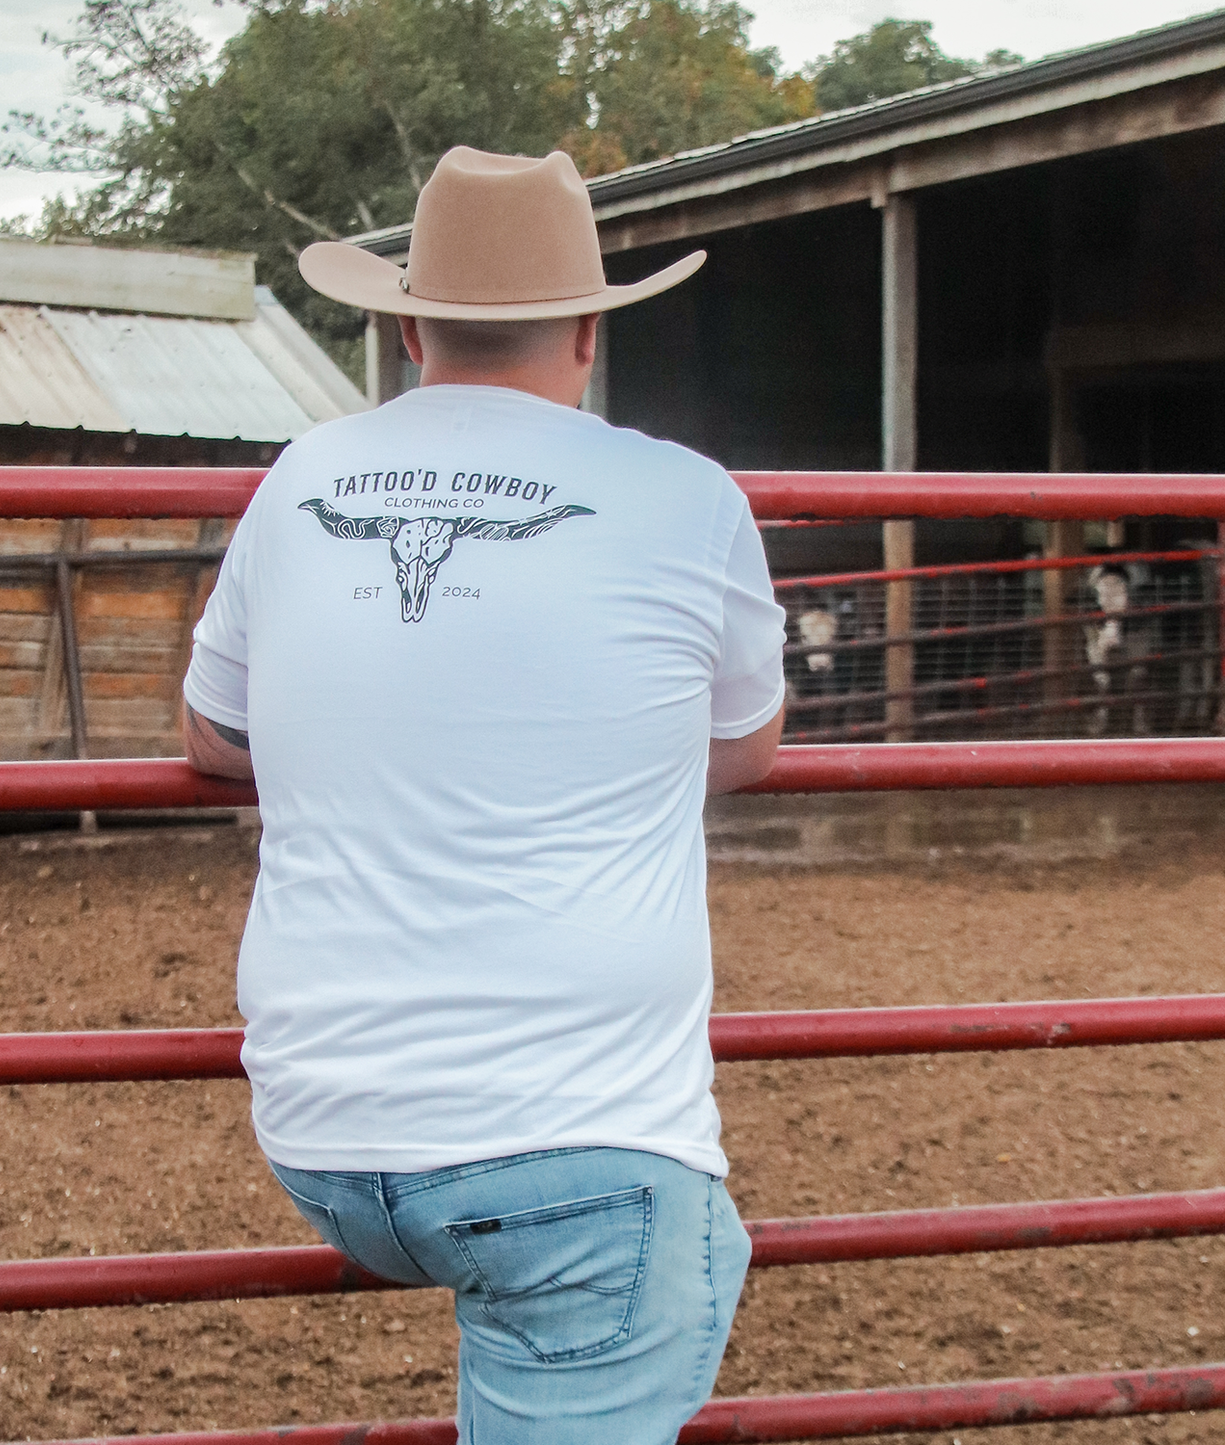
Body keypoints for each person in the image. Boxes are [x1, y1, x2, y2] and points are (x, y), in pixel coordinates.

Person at [182, 145, 787, 1444]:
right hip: (577, 1156)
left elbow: (213, 733)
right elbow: (746, 742)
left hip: (326, 1143)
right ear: (586, 333)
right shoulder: (686, 494)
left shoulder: (299, 483)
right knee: (659, 1247)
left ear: (409, 330)